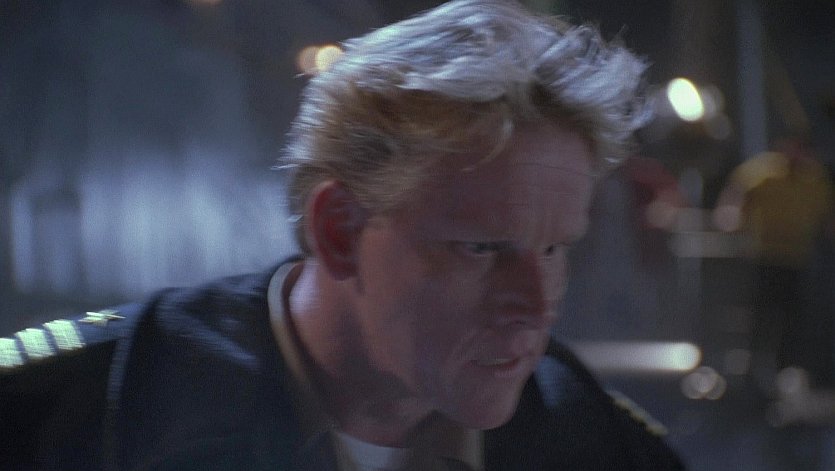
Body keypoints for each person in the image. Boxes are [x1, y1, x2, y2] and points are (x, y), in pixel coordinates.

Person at [0, 1, 684, 469]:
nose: (535, 306)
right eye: (481, 248)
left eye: (554, 249)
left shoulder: (597, 440)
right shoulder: (66, 414)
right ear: (338, 230)